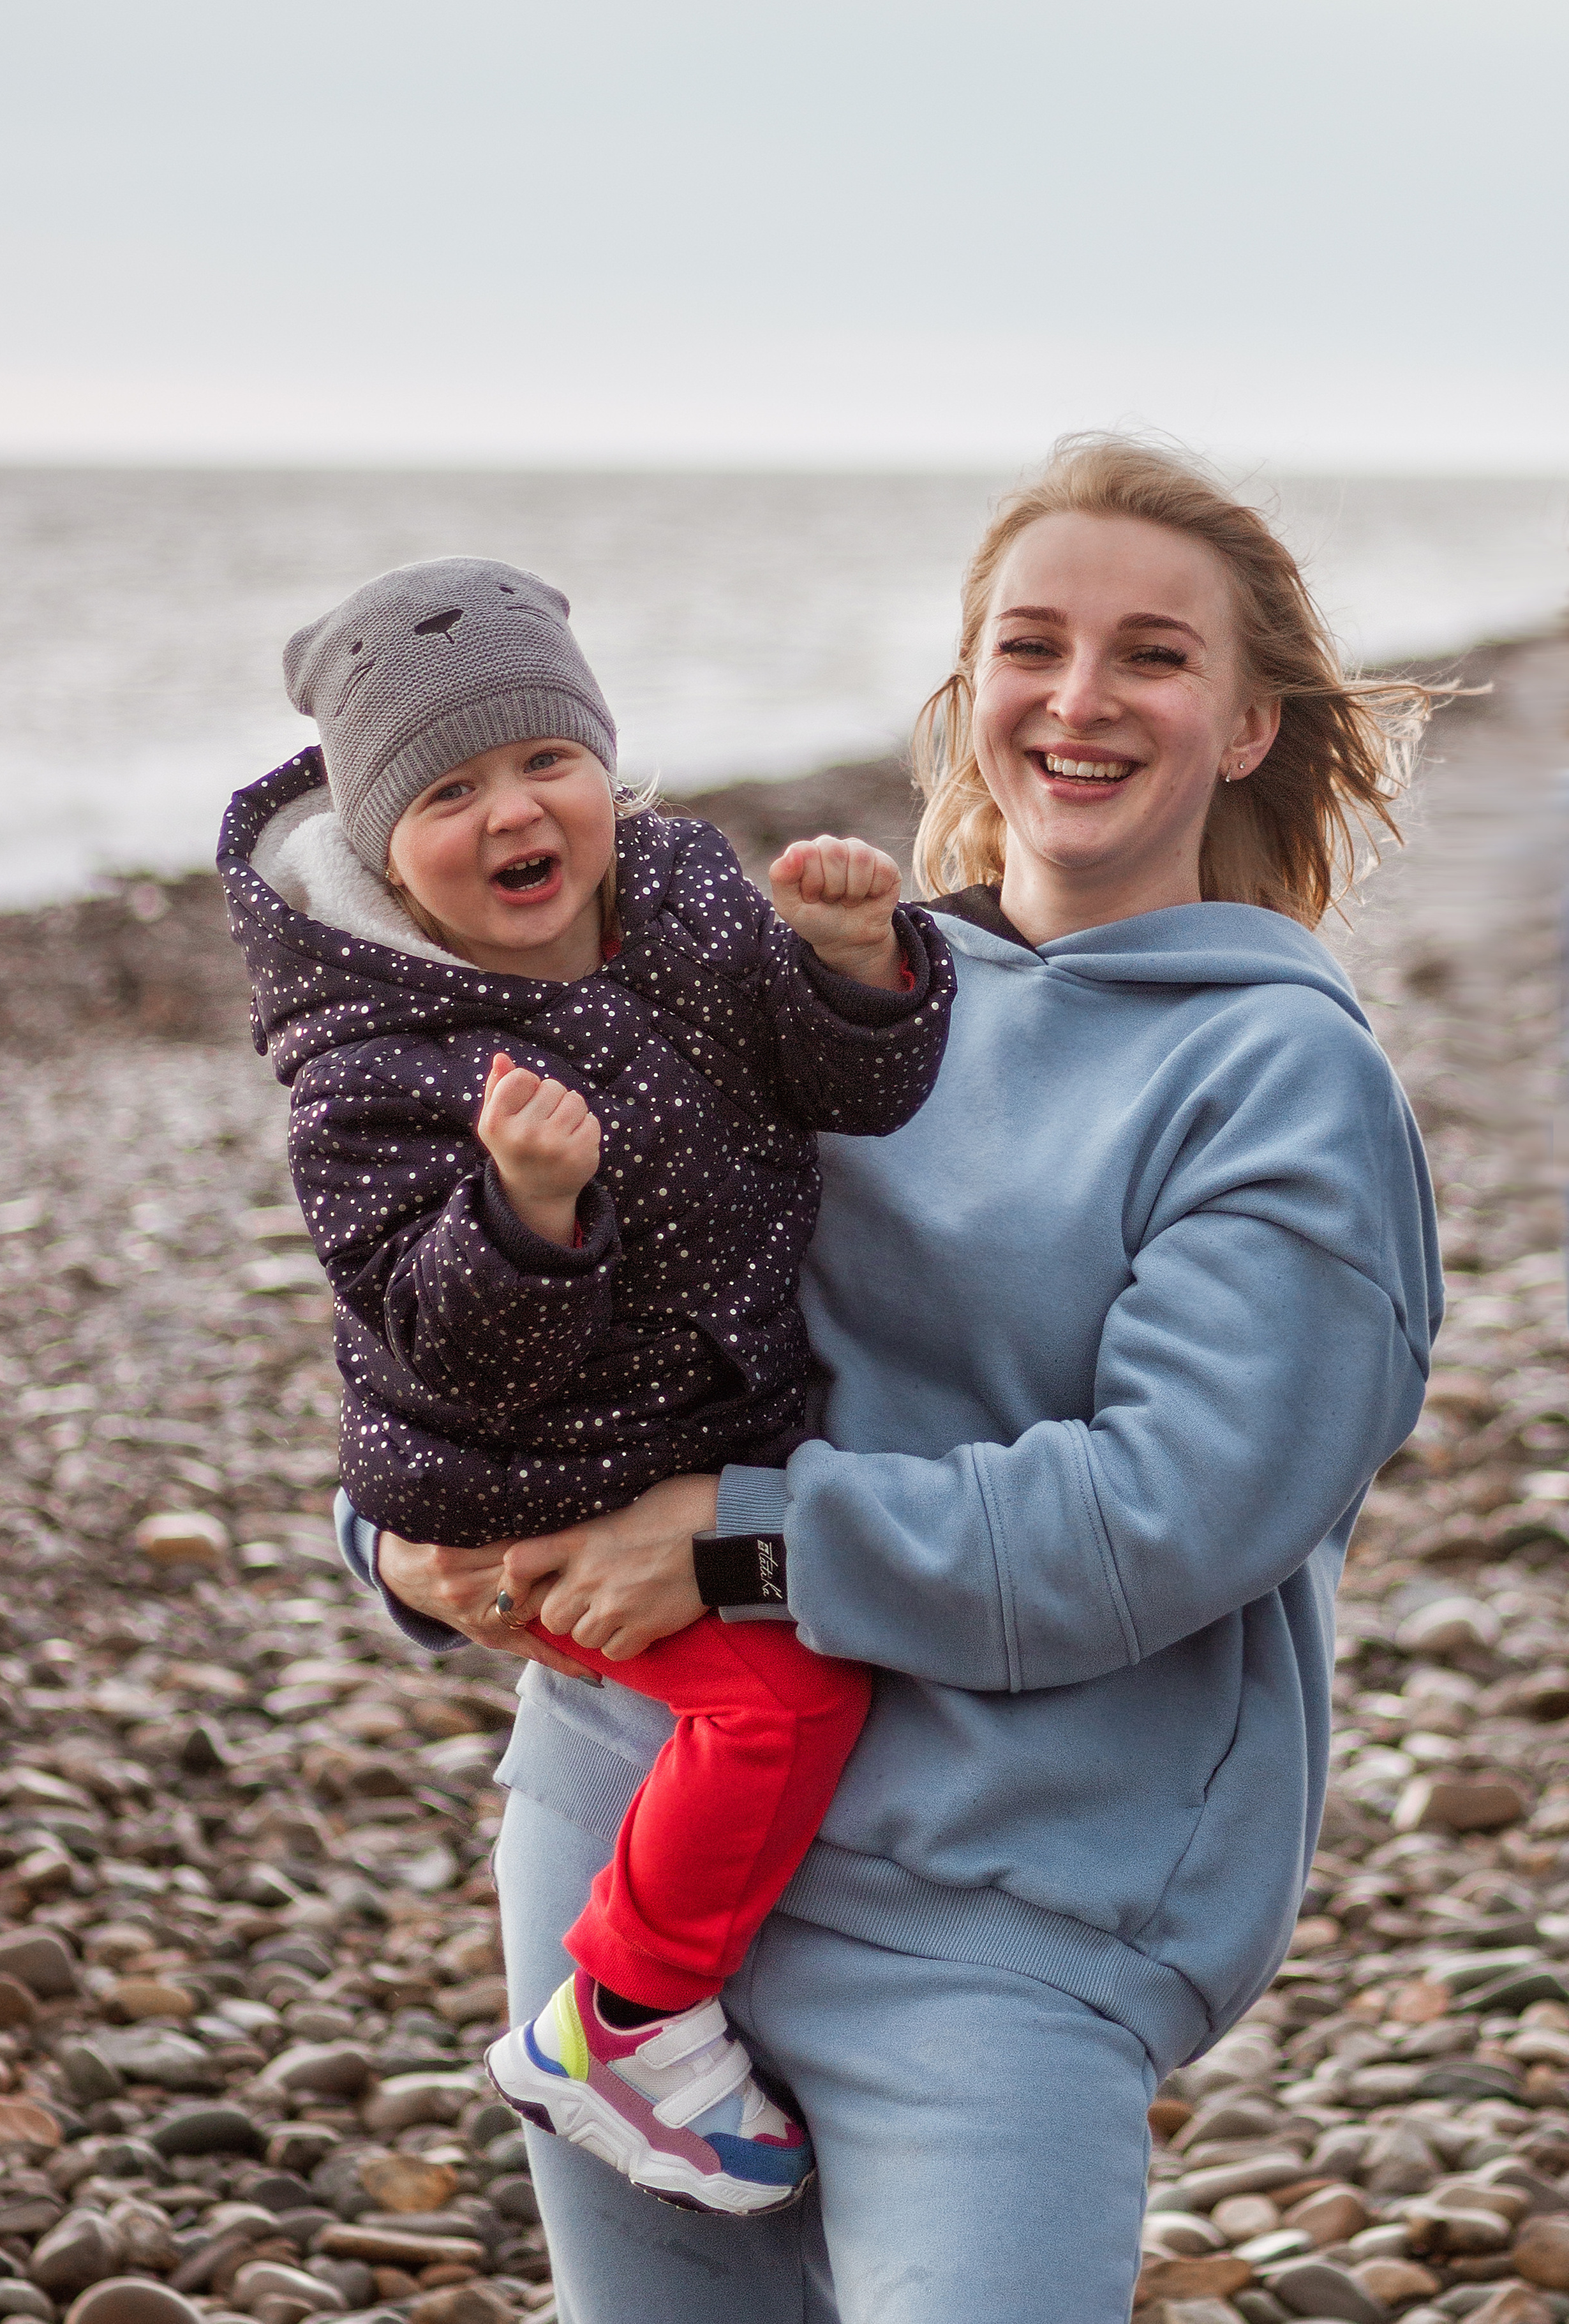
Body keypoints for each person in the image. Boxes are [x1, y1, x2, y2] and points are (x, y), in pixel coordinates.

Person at [364, 439, 1445, 2323]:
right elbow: (479, 1301)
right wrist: (394, 1537)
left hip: (997, 1929)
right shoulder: (798, 989)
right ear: (970, 687)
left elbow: (1168, 1510)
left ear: (1251, 723)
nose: (1080, 697)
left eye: (1154, 655)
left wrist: (738, 1546)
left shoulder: (1282, 1079)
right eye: (1032, 644)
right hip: (623, 1843)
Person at [217, 556, 955, 2217]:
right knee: (783, 1701)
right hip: (514, 1490)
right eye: (449, 792)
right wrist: (526, 1210)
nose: (512, 810)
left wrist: (854, 962)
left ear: (603, 767)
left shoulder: (686, 895)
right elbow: (436, 1338)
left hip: (699, 1426)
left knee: (806, 1670)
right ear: (383, 846)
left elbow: (847, 1088)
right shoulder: (370, 1058)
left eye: (546, 759)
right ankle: (621, 2017)